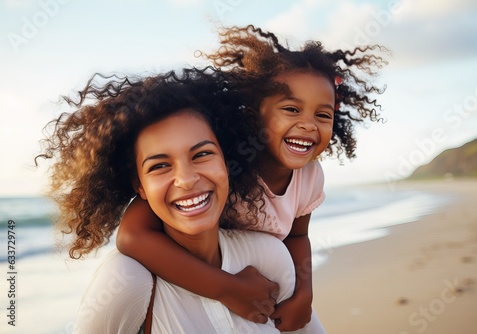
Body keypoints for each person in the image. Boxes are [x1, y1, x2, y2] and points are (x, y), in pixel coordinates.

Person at [117, 25, 387, 332]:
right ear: (254, 113)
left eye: (322, 115)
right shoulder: (226, 164)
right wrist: (227, 288)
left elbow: (297, 237)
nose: (308, 125)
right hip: (196, 283)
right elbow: (132, 236)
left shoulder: (310, 176)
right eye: (291, 109)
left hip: (262, 287)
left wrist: (304, 294)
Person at [36, 68, 308, 333]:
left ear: (226, 160)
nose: (186, 180)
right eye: (159, 166)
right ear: (139, 187)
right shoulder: (126, 282)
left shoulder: (269, 258)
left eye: (201, 154)